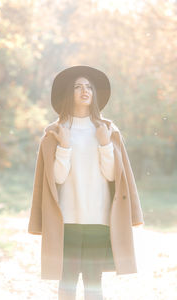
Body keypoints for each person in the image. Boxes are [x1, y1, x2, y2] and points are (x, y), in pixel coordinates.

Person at [27, 65, 144, 300]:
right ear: (68, 94)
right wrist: (65, 147)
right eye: (78, 86)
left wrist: (104, 144)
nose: (84, 90)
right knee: (67, 281)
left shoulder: (108, 130)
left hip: (99, 220)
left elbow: (113, 176)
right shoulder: (54, 132)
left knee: (93, 282)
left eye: (89, 87)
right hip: (66, 221)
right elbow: (56, 179)